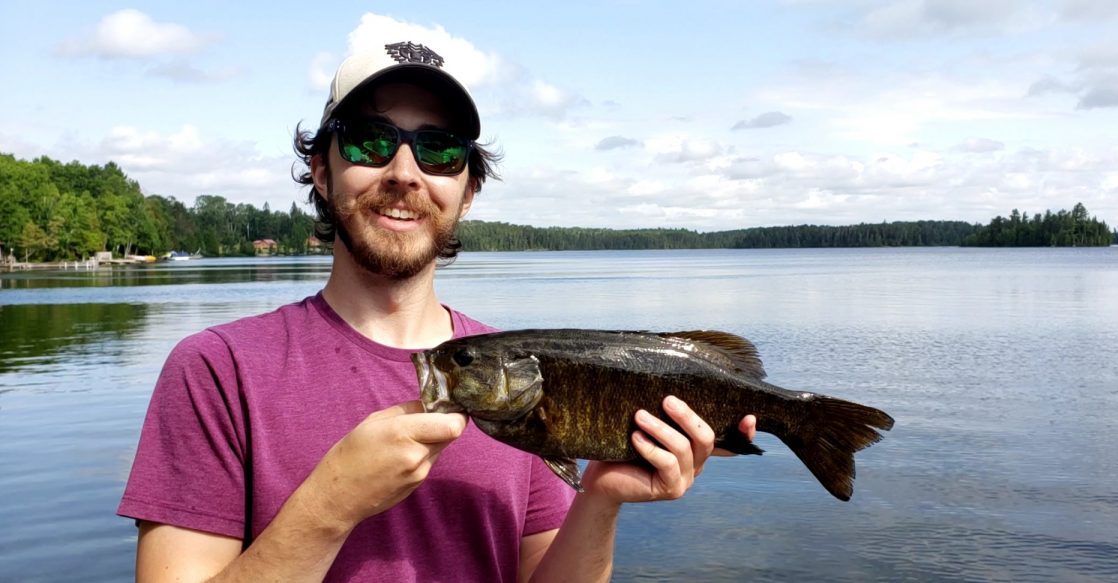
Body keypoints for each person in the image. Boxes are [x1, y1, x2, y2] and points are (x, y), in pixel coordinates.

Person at [118, 40, 756, 582]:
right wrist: (329, 507)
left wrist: (600, 498)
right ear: (320, 168)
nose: (404, 172)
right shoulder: (217, 369)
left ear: (468, 190)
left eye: (440, 151)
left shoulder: (517, 374)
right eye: (371, 142)